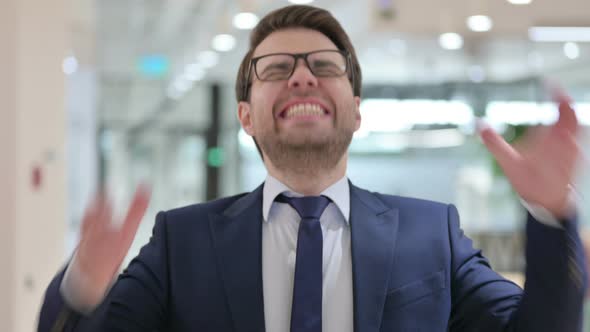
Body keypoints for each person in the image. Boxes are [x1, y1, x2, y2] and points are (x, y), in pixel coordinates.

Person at [38, 4, 587, 332]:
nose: (303, 78)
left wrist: (548, 215)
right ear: (246, 115)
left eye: (325, 67)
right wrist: (83, 286)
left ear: (355, 110)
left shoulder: (432, 233)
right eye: (277, 67)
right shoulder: (184, 241)